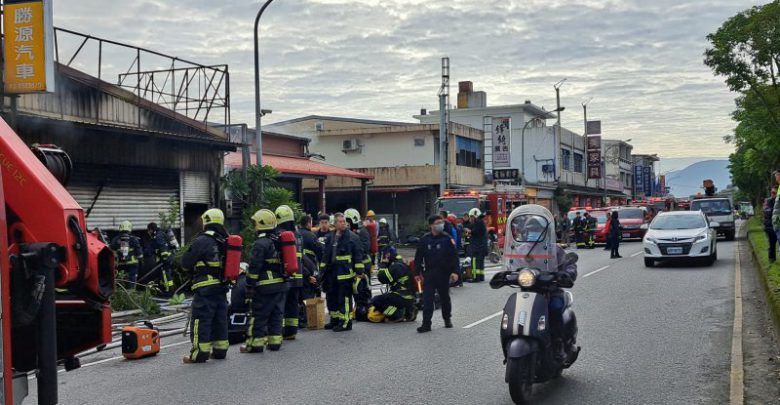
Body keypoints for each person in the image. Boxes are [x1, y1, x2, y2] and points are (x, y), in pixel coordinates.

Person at [508, 208, 577, 360]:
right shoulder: (520, 250)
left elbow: (569, 265)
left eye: (537, 230)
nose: (534, 233)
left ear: (545, 232)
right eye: (531, 230)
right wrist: (505, 275)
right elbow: (511, 265)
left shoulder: (554, 250)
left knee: (555, 308)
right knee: (511, 308)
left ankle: (558, 343)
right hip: (527, 292)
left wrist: (567, 273)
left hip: (550, 291)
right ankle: (509, 338)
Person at [180, 208, 230, 363]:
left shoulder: (202, 240)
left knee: (201, 320)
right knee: (220, 319)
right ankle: (220, 350)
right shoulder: (226, 240)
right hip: (222, 287)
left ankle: (199, 354)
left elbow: (185, 263)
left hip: (205, 287)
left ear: (206, 221)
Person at [242, 209, 288, 353]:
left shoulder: (260, 243)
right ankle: (275, 343)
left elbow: (255, 267)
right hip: (281, 284)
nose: (254, 226)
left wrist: (249, 285)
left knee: (259, 315)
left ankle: (255, 344)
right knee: (276, 314)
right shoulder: (278, 240)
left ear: (261, 224)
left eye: (255, 223)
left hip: (265, 286)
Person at [320, 212, 365, 332]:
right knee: (331, 297)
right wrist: (322, 272)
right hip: (331, 274)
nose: (343, 223)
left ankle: (345, 322)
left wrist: (359, 271)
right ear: (334, 224)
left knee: (344, 299)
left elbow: (358, 255)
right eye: (340, 221)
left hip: (345, 273)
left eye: (344, 221)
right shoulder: (330, 236)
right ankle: (335, 319)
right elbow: (326, 255)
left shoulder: (352, 237)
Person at [414, 215, 460, 333]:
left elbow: (454, 257)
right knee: (427, 299)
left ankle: (447, 318)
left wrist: (455, 272)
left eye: (441, 222)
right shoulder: (424, 240)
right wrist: (417, 273)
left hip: (444, 273)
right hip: (430, 273)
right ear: (431, 225)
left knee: (444, 298)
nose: (441, 225)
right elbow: (418, 257)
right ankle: (426, 324)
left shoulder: (447, 239)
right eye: (438, 223)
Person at [275, 205, 303, 341]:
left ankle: (280, 330)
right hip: (298, 276)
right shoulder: (298, 235)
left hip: (285, 276)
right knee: (293, 303)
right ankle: (292, 331)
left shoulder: (280, 235)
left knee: (281, 304)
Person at [369, 246, 416, 323]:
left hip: (401, 296)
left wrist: (383, 265)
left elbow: (382, 278)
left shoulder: (395, 266)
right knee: (388, 297)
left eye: (384, 255)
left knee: (376, 300)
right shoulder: (401, 262)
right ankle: (409, 310)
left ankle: (396, 314)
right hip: (408, 296)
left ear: (388, 255)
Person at [110, 220, 143, 286]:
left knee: (121, 278)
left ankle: (121, 289)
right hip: (132, 263)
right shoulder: (134, 239)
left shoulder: (115, 239)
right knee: (132, 278)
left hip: (121, 263)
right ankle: (131, 290)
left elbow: (111, 250)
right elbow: (139, 252)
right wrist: (141, 260)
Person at [299, 215, 323, 300]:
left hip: (299, 270)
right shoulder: (311, 235)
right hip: (310, 269)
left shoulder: (296, 234)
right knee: (311, 294)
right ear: (308, 224)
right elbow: (320, 251)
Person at [147, 222, 174, 294]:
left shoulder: (158, 236)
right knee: (165, 273)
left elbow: (163, 247)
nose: (148, 232)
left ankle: (169, 291)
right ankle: (167, 289)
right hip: (168, 257)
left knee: (165, 273)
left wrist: (164, 258)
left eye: (148, 230)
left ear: (151, 230)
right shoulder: (159, 234)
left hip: (166, 258)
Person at [468, 208, 488, 282]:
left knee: (474, 262)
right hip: (481, 246)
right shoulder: (481, 222)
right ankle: (480, 276)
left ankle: (475, 277)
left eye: (471, 217)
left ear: (475, 216)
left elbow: (475, 232)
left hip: (477, 246)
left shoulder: (478, 222)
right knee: (480, 262)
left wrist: (470, 231)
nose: (470, 218)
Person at [764, 187, 778, 263]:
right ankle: (772, 259)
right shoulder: (768, 201)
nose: (773, 195)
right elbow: (767, 212)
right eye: (772, 193)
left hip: (776, 224)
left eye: (775, 193)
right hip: (770, 225)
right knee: (772, 243)